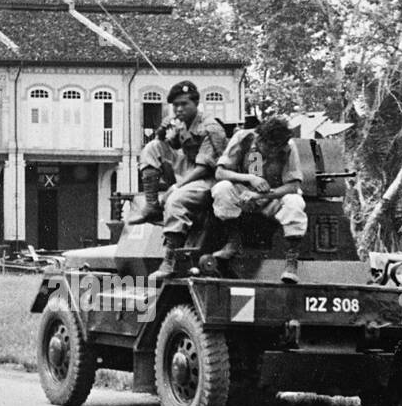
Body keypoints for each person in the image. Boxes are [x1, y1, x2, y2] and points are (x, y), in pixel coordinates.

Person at [128, 80, 228, 281]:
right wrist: (162, 132)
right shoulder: (183, 123)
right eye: (176, 105)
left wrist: (177, 186)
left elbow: (205, 167)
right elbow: (172, 144)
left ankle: (170, 260)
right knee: (152, 147)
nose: (179, 109)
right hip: (188, 171)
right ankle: (151, 205)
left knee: (176, 200)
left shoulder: (211, 127)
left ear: (196, 103)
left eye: (184, 104)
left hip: (210, 179)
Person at [209, 115, 307, 283]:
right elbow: (220, 173)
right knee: (222, 189)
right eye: (269, 147)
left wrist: (263, 195)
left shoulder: (288, 146)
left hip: (273, 198)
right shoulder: (243, 138)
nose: (274, 152)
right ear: (260, 139)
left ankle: (291, 261)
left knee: (295, 202)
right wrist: (249, 178)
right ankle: (233, 242)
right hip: (244, 195)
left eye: (277, 148)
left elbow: (293, 185)